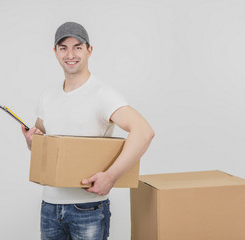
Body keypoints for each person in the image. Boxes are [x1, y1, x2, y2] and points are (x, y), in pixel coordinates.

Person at [22, 22, 154, 240]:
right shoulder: (48, 95)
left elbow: (144, 132)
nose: (70, 54)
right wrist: (30, 140)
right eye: (63, 47)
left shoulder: (103, 94)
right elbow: (42, 144)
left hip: (88, 209)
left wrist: (111, 176)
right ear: (55, 52)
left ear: (89, 50)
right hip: (49, 206)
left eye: (77, 47)